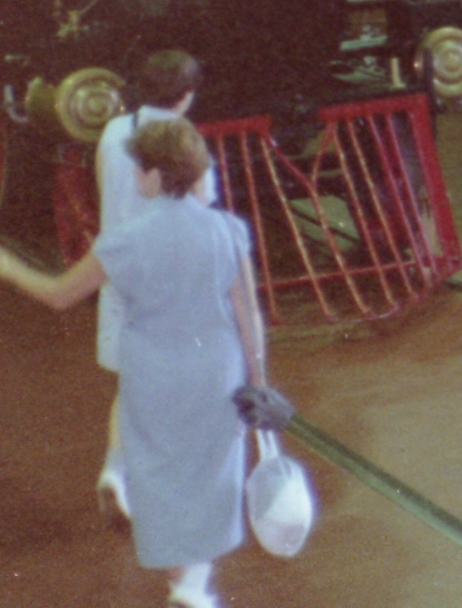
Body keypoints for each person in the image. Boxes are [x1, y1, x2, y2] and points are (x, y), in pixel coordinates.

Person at [0, 117, 265, 608]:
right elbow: (248, 315)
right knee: (210, 474)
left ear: (154, 174)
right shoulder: (228, 230)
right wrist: (260, 381)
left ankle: (180, 581)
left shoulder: (125, 241)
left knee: (160, 475)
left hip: (154, 374)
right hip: (217, 370)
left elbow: (59, 295)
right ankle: (194, 586)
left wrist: (10, 267)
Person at [92, 50, 203, 529]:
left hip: (120, 271)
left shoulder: (113, 131)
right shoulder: (185, 139)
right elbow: (201, 210)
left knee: (132, 386)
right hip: (168, 278)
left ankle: (116, 473)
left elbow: (105, 193)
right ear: (186, 95)